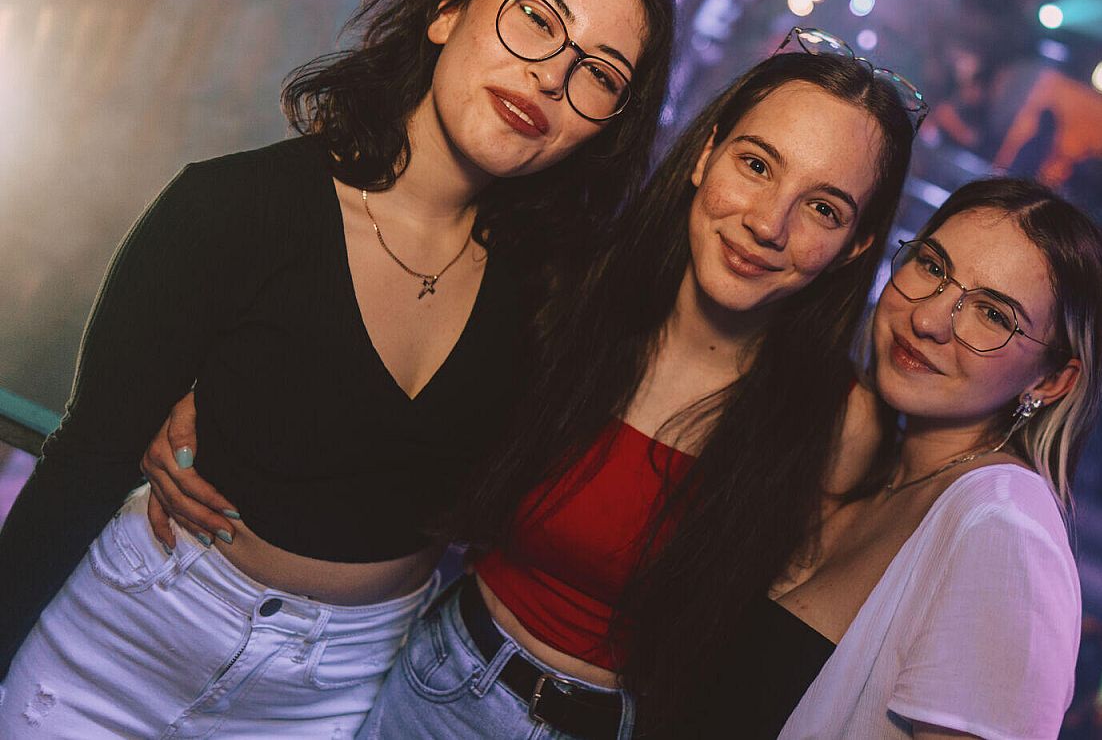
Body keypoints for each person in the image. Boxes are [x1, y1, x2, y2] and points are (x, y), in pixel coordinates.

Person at [0, 0, 677, 738]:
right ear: (447, 10)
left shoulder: (554, 298)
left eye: (599, 73)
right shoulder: (236, 206)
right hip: (118, 649)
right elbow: (80, 467)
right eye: (537, 17)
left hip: (335, 693)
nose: (550, 77)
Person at [352, 38, 921, 739]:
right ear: (706, 154)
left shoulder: (841, 423)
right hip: (432, 684)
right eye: (756, 165)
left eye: (824, 209)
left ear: (856, 246)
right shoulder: (568, 291)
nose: (767, 224)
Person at [713, 178, 1102, 740]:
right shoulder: (877, 462)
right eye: (931, 266)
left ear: (1051, 381)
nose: (928, 319)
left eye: (992, 315)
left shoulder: (1006, 533)